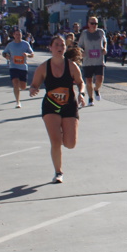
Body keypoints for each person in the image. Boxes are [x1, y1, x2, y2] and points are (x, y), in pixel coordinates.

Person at [28, 35, 86, 183]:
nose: (60, 47)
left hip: (69, 105)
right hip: (51, 106)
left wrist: (81, 94)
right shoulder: (43, 67)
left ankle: (62, 134)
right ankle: (58, 172)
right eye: (57, 45)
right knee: (55, 141)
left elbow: (81, 83)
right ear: (50, 48)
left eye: (62, 45)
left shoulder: (72, 66)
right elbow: (34, 84)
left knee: (70, 144)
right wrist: (33, 89)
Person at [78, 17, 107, 104]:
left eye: (96, 23)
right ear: (88, 24)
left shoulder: (100, 32)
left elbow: (105, 41)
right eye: (92, 23)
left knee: (99, 80)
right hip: (88, 61)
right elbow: (79, 45)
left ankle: (96, 89)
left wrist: (104, 48)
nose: (94, 25)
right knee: (89, 81)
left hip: (98, 60)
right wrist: (82, 51)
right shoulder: (84, 33)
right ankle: (90, 99)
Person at [2, 29, 34, 108]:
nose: (18, 36)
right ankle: (18, 102)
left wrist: (27, 54)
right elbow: (4, 53)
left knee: (23, 87)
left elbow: (32, 54)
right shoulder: (10, 45)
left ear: (21, 35)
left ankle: (19, 87)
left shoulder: (25, 44)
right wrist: (6, 56)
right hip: (13, 66)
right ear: (13, 35)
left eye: (19, 35)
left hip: (23, 67)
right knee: (15, 83)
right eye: (16, 34)